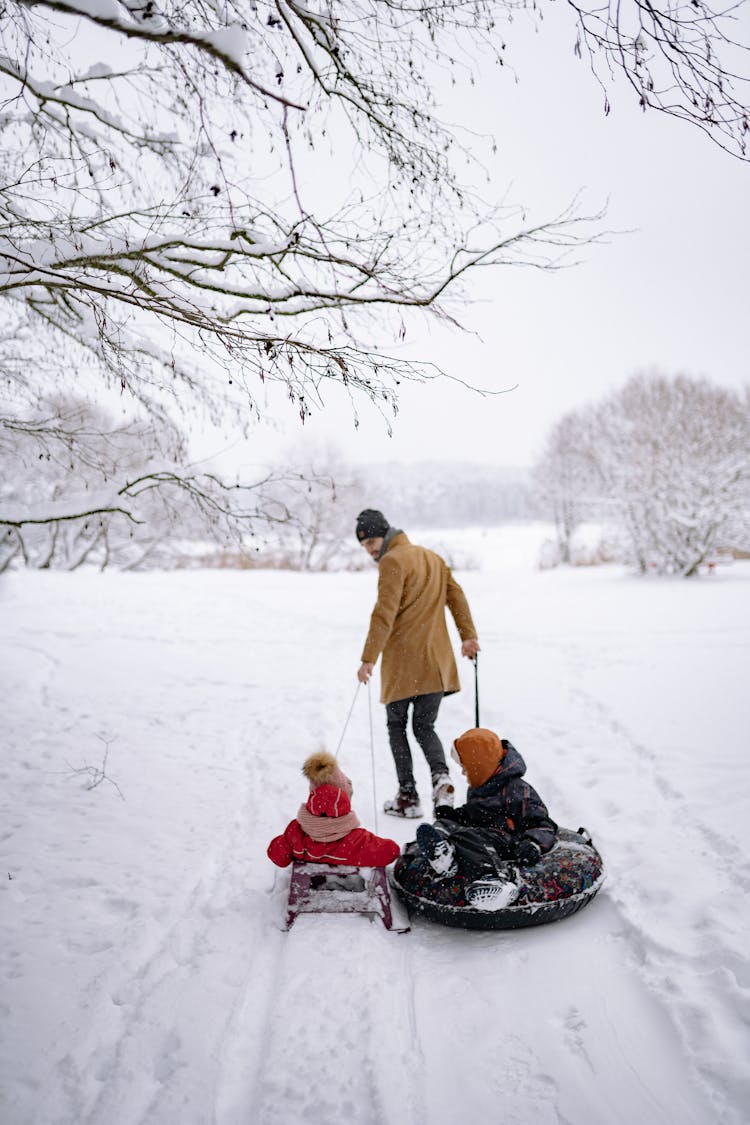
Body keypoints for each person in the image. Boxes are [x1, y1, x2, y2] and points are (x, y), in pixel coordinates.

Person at [355, 508, 480, 819]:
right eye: (364, 544)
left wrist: (368, 658)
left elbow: (384, 613)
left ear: (386, 534)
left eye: (372, 540)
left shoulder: (392, 561)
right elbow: (457, 597)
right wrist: (468, 636)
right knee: (425, 726)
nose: (370, 548)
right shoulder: (431, 557)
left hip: (403, 665)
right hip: (435, 664)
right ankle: (441, 779)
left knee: (397, 727)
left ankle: (408, 796)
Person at [414, 727, 558, 907]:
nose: (463, 773)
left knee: (465, 837)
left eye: (465, 768)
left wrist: (533, 843)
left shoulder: (516, 789)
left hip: (507, 840)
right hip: (480, 835)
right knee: (445, 824)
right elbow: (475, 814)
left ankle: (491, 877)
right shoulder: (479, 786)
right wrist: (455, 815)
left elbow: (541, 823)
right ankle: (443, 855)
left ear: (478, 766)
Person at [267, 750, 401, 868]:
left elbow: (277, 855)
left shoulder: (296, 833)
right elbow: (391, 852)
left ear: (312, 798)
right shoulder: (357, 840)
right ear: (345, 804)